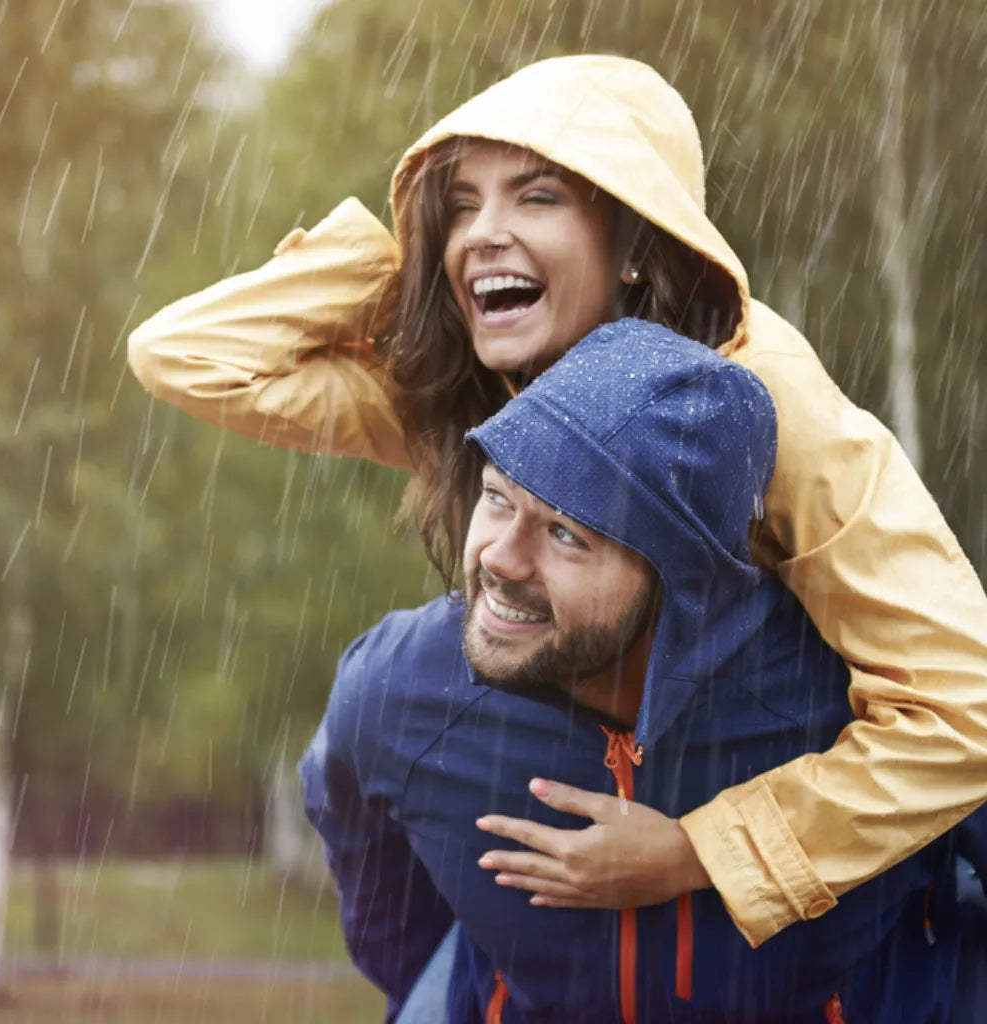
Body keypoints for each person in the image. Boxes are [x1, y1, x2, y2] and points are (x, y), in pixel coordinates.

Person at [128, 54, 987, 946]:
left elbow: (966, 710)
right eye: (462, 202)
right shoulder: (472, 385)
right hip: (547, 856)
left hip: (790, 900)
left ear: (637, 243)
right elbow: (187, 356)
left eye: (536, 197)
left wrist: (700, 853)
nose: (483, 234)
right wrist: (413, 261)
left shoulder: (768, 406)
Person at [303, 318, 980, 1023]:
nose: (500, 557)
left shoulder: (862, 703)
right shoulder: (402, 686)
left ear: (679, 582)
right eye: (497, 496)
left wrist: (703, 857)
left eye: (567, 533)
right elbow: (376, 886)